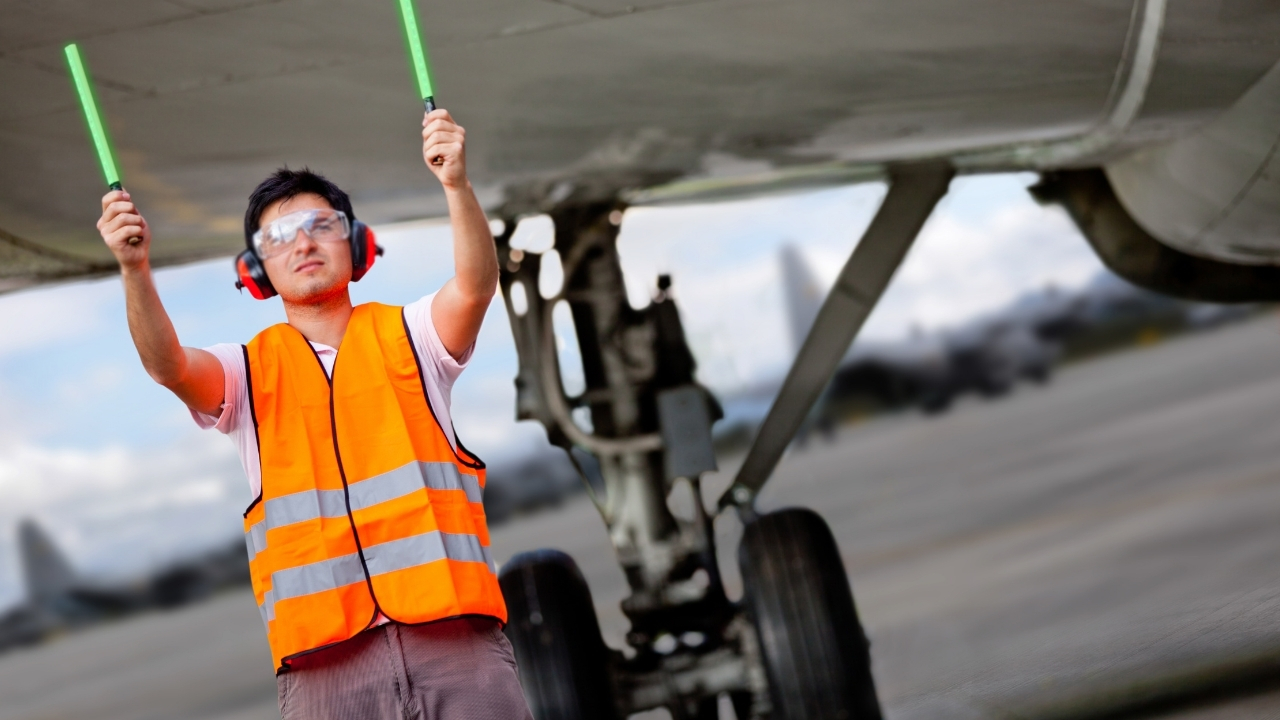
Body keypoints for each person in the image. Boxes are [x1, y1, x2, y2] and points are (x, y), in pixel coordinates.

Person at [95, 108, 533, 720]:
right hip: (327, 670)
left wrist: (456, 186)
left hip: (455, 645)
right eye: (277, 237)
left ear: (355, 244)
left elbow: (475, 285)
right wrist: (134, 270)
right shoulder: (247, 375)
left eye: (320, 226)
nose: (302, 243)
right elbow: (167, 365)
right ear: (257, 272)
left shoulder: (412, 336)